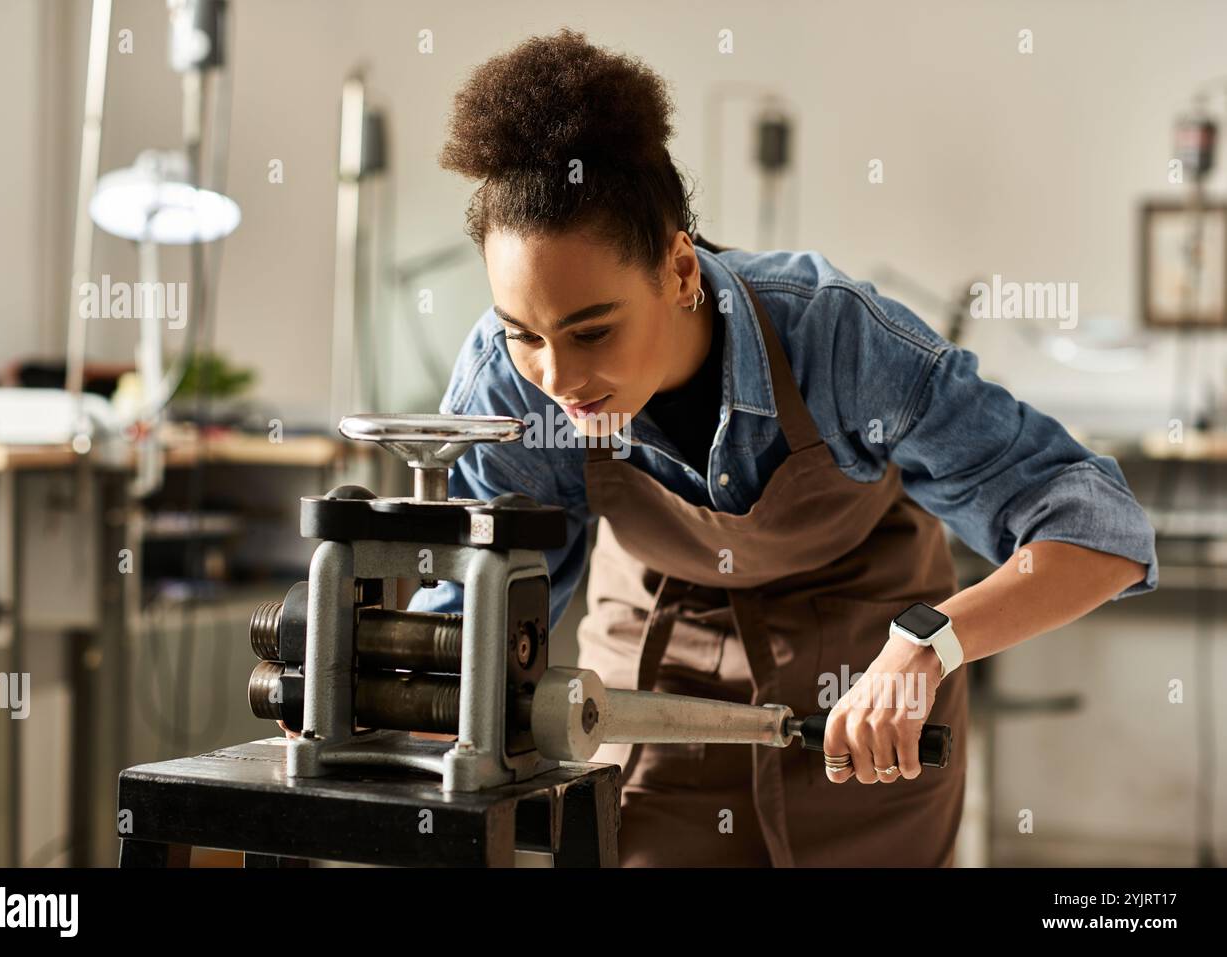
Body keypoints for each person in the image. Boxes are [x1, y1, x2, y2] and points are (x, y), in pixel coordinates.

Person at [318, 28, 1158, 867]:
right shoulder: (508, 383)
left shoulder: (839, 342)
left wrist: (928, 643)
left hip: (866, 711)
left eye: (593, 329)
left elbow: (1101, 531)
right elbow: (481, 597)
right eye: (523, 334)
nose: (558, 375)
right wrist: (363, 681)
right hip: (649, 701)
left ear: (680, 269)